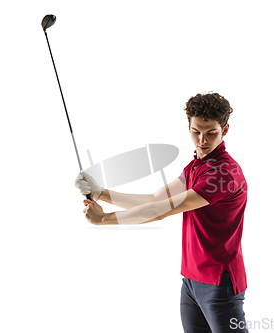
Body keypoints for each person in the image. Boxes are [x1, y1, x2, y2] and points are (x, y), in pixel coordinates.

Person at [76, 92, 249, 332]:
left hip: (220, 284)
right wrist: (99, 193)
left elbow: (160, 211)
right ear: (188, 125)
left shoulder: (222, 174)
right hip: (191, 280)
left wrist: (104, 219)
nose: (202, 140)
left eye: (211, 133)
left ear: (225, 129)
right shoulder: (195, 166)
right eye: (196, 131)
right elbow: (156, 198)